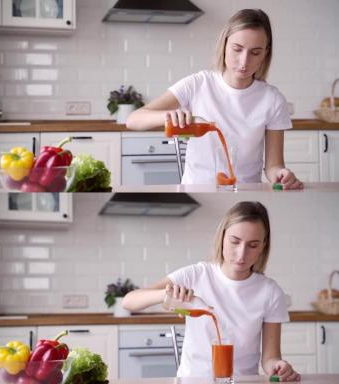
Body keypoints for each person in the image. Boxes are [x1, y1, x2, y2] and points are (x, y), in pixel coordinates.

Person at [122, 201, 300, 382]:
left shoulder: (270, 292)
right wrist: (165, 294)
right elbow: (128, 301)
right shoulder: (196, 275)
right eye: (235, 242)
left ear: (263, 246)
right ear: (222, 237)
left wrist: (278, 366)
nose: (241, 254)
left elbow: (270, 358)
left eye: (253, 245)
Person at [126, 9, 303, 190]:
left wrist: (282, 174)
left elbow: (273, 165)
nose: (244, 61)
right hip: (196, 193)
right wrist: (169, 116)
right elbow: (133, 120)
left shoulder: (272, 100)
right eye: (237, 49)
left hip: (244, 195)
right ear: (224, 45)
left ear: (266, 53)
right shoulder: (197, 84)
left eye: (255, 52)